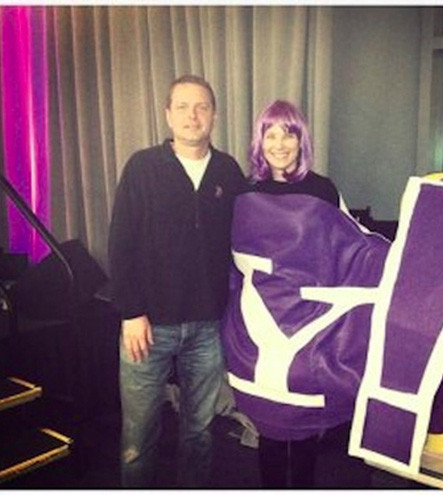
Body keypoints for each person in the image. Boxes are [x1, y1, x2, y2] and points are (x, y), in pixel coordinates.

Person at [108, 74, 247, 487]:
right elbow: (121, 243)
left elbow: (249, 238)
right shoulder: (142, 167)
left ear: (214, 115)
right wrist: (131, 312)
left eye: (202, 106)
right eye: (183, 106)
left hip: (207, 326)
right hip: (147, 327)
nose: (193, 115)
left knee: (199, 433)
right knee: (138, 438)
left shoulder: (228, 171)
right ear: (168, 115)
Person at [245, 100, 358, 488]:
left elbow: (349, 244)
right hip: (262, 322)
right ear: (260, 141)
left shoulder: (322, 189)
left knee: (305, 420)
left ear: (301, 140)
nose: (279, 144)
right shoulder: (247, 191)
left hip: (310, 322)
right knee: (271, 423)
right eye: (270, 134)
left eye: (288, 134)